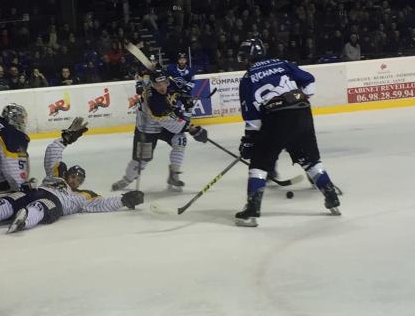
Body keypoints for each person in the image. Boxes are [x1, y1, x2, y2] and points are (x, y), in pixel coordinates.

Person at [0, 117, 144, 235]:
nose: (74, 180)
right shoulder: (55, 175)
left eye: (79, 179)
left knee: (39, 207)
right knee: (6, 203)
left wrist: (125, 200)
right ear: (67, 173)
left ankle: (24, 220)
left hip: (56, 203)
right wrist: (64, 140)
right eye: (73, 175)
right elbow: (52, 153)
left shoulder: (83, 195)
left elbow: (102, 204)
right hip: (38, 191)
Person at [234, 38, 341, 227]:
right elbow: (309, 81)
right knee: (311, 160)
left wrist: (249, 142)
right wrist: (296, 99)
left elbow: (253, 119)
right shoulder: (282, 63)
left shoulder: (248, 78)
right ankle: (331, 197)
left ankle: (251, 211)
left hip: (276, 118)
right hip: (302, 113)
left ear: (247, 56)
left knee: (259, 163)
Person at [110, 67, 208, 192]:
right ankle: (126, 180)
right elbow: (173, 122)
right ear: (152, 84)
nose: (162, 87)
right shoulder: (155, 101)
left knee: (180, 140)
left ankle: (174, 175)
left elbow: (142, 74)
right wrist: (194, 130)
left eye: (164, 83)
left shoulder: (164, 82)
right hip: (147, 128)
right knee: (142, 160)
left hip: (163, 125)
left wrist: (186, 99)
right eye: (157, 85)